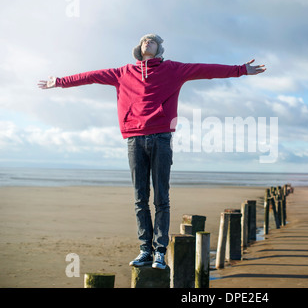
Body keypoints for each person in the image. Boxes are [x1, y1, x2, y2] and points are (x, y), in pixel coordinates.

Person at [38, 33, 266, 269]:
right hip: (134, 139)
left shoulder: (174, 69)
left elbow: (206, 70)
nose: (148, 42)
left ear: (159, 49)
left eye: (153, 41)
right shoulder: (123, 72)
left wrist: (241, 70)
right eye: (145, 40)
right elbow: (91, 76)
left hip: (161, 138)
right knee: (140, 199)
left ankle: (159, 251)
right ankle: (145, 250)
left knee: (161, 199)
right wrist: (61, 81)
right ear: (139, 47)